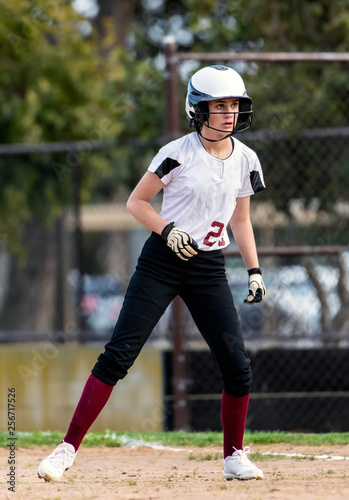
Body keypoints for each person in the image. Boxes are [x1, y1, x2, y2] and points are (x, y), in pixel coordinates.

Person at [38, 65, 267, 482]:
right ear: (198, 110)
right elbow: (136, 202)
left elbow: (242, 222)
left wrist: (254, 270)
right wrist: (168, 229)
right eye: (220, 105)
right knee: (118, 356)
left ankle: (234, 456)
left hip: (209, 267)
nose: (230, 113)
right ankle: (65, 449)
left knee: (237, 366)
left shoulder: (246, 159)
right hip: (163, 260)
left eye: (235, 104)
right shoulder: (177, 152)